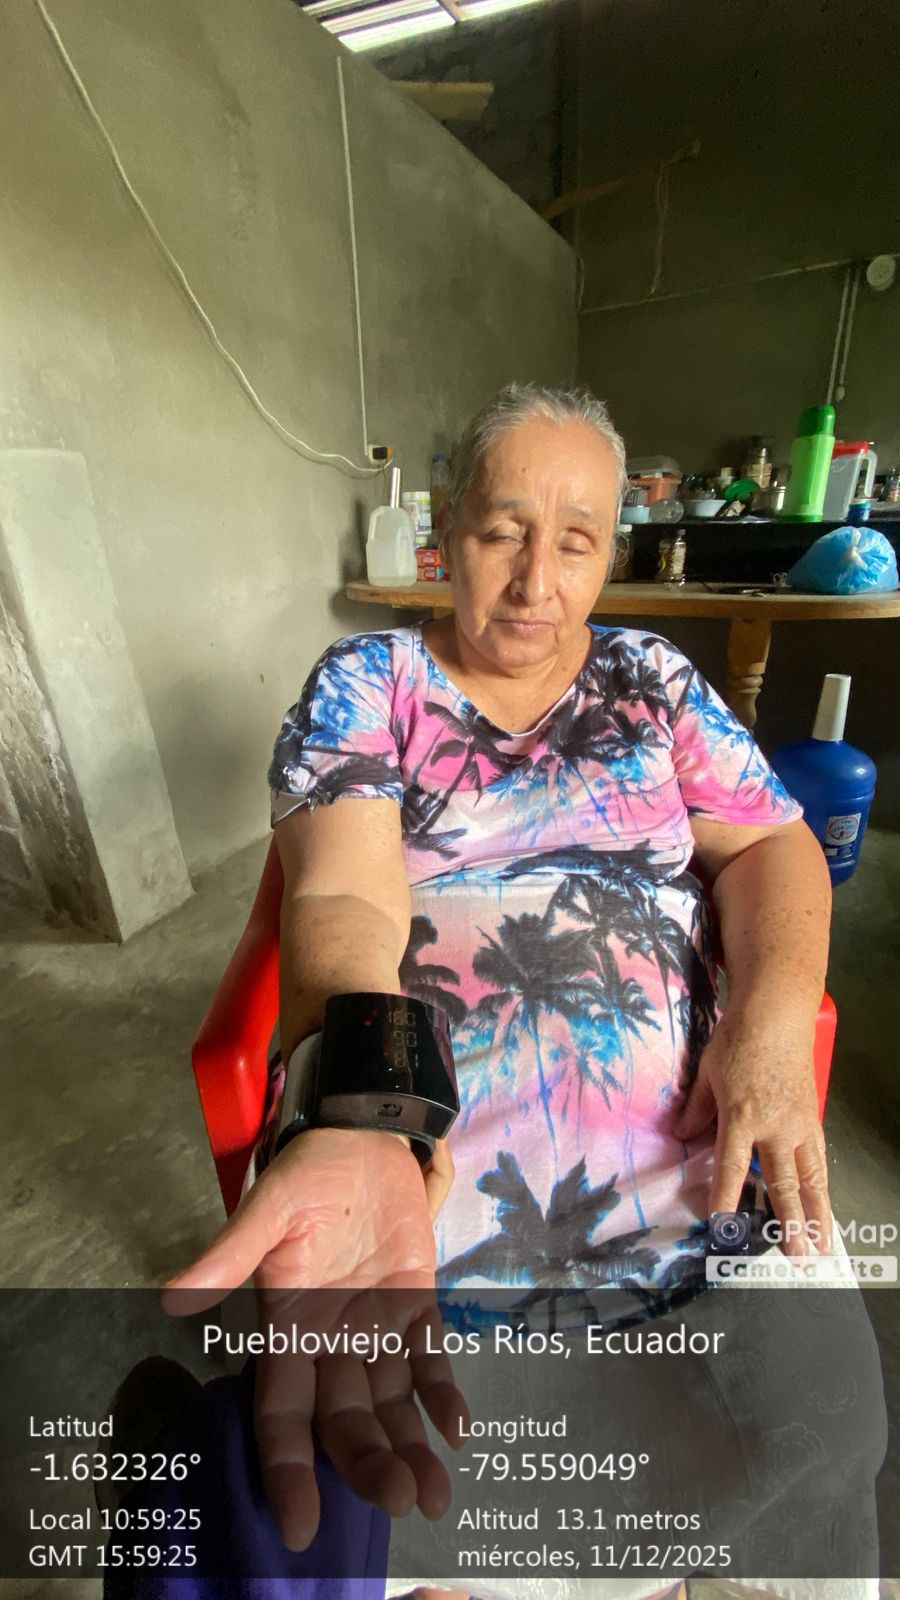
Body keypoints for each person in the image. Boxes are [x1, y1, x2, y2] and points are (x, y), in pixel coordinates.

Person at [157, 385, 886, 1600]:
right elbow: (343, 899)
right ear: (448, 532)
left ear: (614, 555)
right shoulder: (373, 678)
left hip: (689, 1164)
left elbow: (773, 843)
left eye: (578, 541)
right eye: (503, 531)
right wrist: (364, 1111)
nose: (537, 579)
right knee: (373, 1478)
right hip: (444, 1183)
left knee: (822, 1420)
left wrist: (766, 1027)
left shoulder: (652, 679)